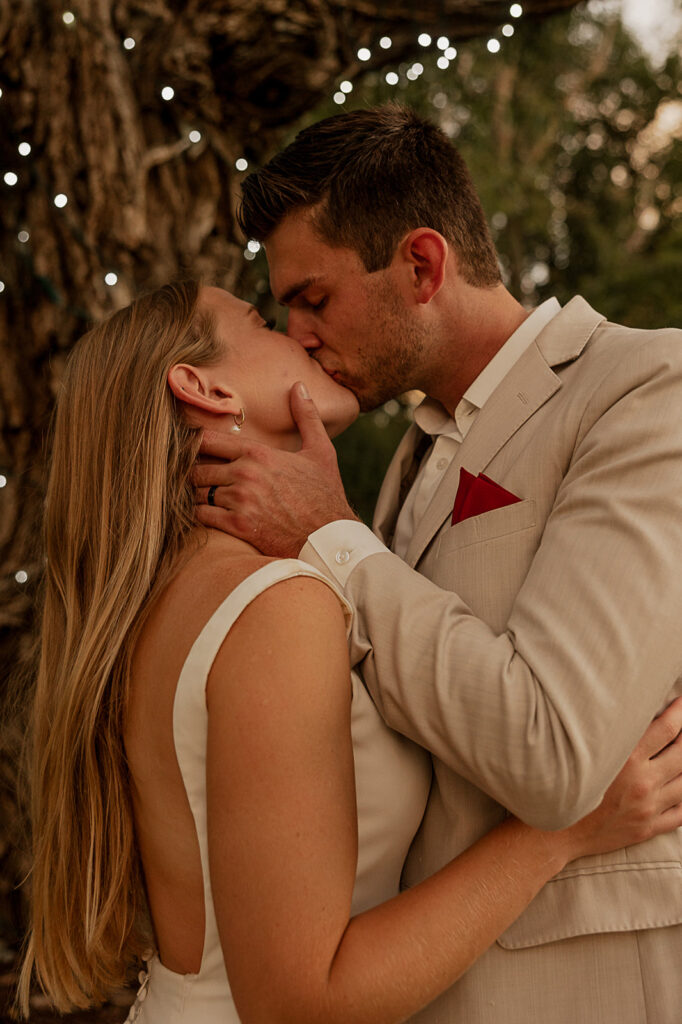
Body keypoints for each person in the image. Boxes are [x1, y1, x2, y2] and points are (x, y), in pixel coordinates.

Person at [17, 280, 682, 1023]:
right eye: (265, 321)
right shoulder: (273, 606)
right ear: (202, 387)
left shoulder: (170, 591)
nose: (300, 336)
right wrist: (561, 836)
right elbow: (303, 1001)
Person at [194, 105, 682, 1023]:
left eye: (314, 297)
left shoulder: (644, 388)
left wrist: (331, 537)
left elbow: (556, 753)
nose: (298, 334)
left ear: (421, 265)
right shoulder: (412, 457)